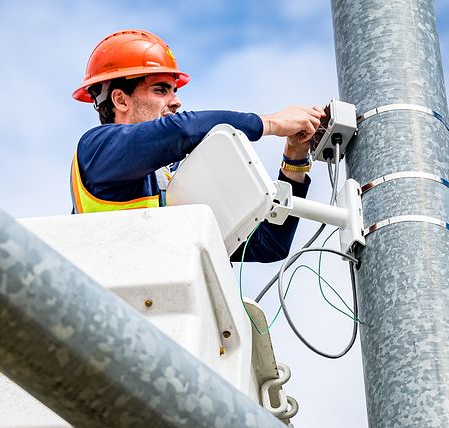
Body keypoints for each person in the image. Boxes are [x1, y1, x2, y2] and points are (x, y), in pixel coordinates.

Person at [70, 29, 325, 263]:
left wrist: (295, 156)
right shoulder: (96, 150)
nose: (176, 101)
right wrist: (270, 123)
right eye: (161, 90)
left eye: (174, 91)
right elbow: (184, 130)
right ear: (120, 100)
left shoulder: (175, 181)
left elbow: (269, 245)